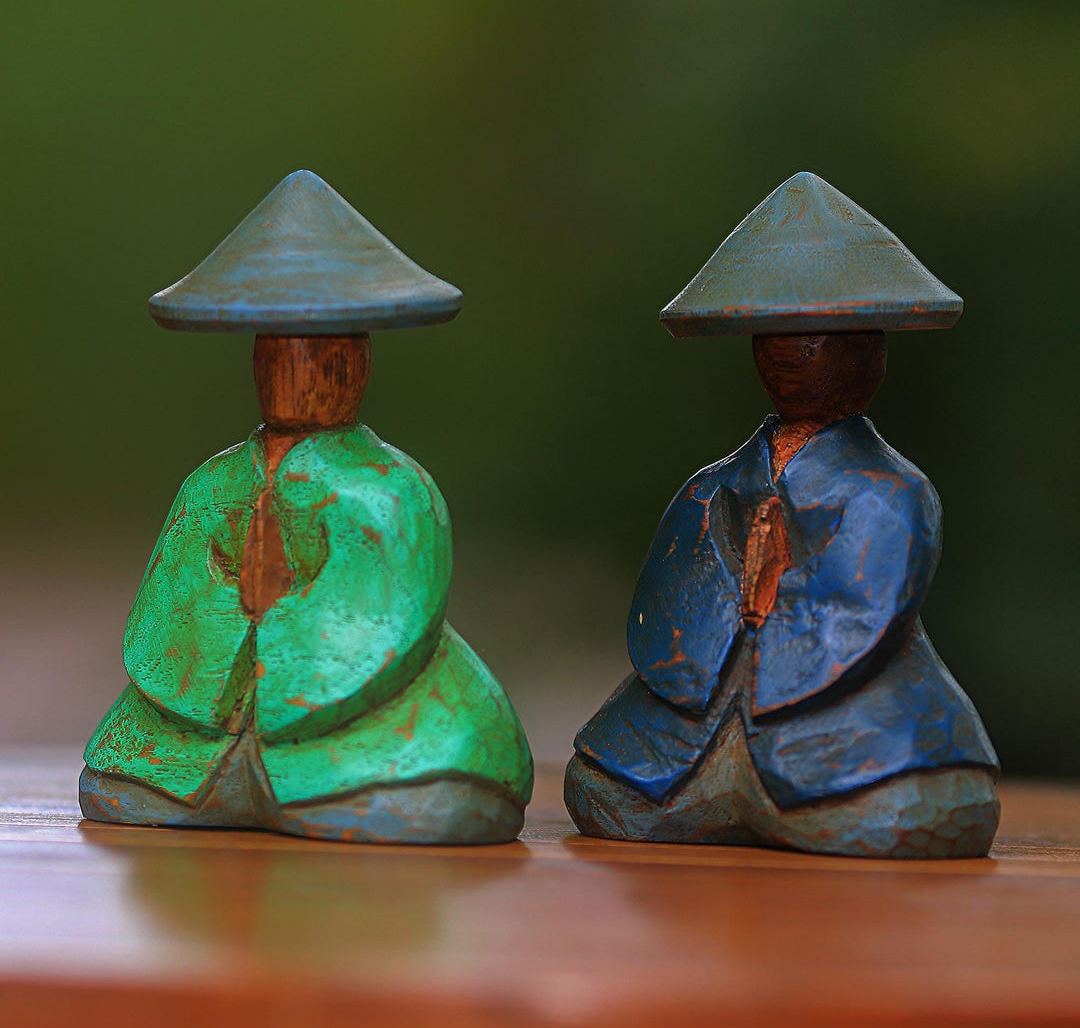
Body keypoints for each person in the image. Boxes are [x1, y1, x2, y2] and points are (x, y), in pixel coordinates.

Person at [81, 171, 533, 844]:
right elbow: (169, 609)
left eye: (321, 358)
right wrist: (230, 629)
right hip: (210, 712)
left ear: (356, 364)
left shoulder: (389, 488)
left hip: (363, 707)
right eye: (278, 358)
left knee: (440, 781)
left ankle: (318, 778)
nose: (295, 376)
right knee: (119, 778)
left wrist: (280, 630)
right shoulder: (212, 484)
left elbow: (386, 616)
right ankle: (242, 776)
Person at [565, 173, 999, 857]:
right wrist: (729, 611)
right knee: (604, 782)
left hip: (840, 695)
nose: (798, 359)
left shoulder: (892, 491)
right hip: (707, 694)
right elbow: (668, 598)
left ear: (869, 353)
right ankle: (734, 786)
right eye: (779, 344)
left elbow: (866, 605)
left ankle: (790, 789)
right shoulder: (714, 486)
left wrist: (771, 606)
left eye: (823, 343)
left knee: (913, 801)